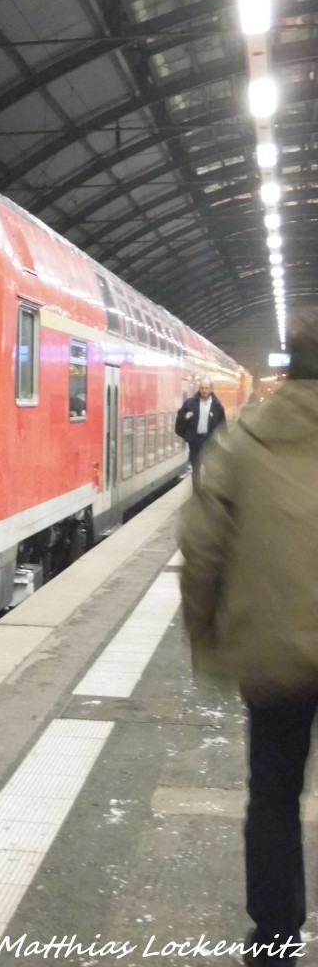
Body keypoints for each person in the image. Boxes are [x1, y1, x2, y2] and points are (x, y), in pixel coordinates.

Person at [178, 316, 318, 965]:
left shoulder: (244, 442)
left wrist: (206, 636)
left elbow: (201, 548)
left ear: (289, 366)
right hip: (278, 653)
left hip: (275, 657)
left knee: (273, 796)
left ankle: (275, 942)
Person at [174, 377, 226, 491]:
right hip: (195, 441)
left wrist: (224, 441)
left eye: (206, 388)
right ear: (199, 388)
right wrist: (185, 418)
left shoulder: (217, 406)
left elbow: (223, 425)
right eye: (202, 388)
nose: (204, 391)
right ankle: (197, 494)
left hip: (210, 441)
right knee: (195, 469)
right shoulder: (190, 403)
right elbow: (179, 418)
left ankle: (208, 492)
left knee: (210, 468)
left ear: (211, 389)